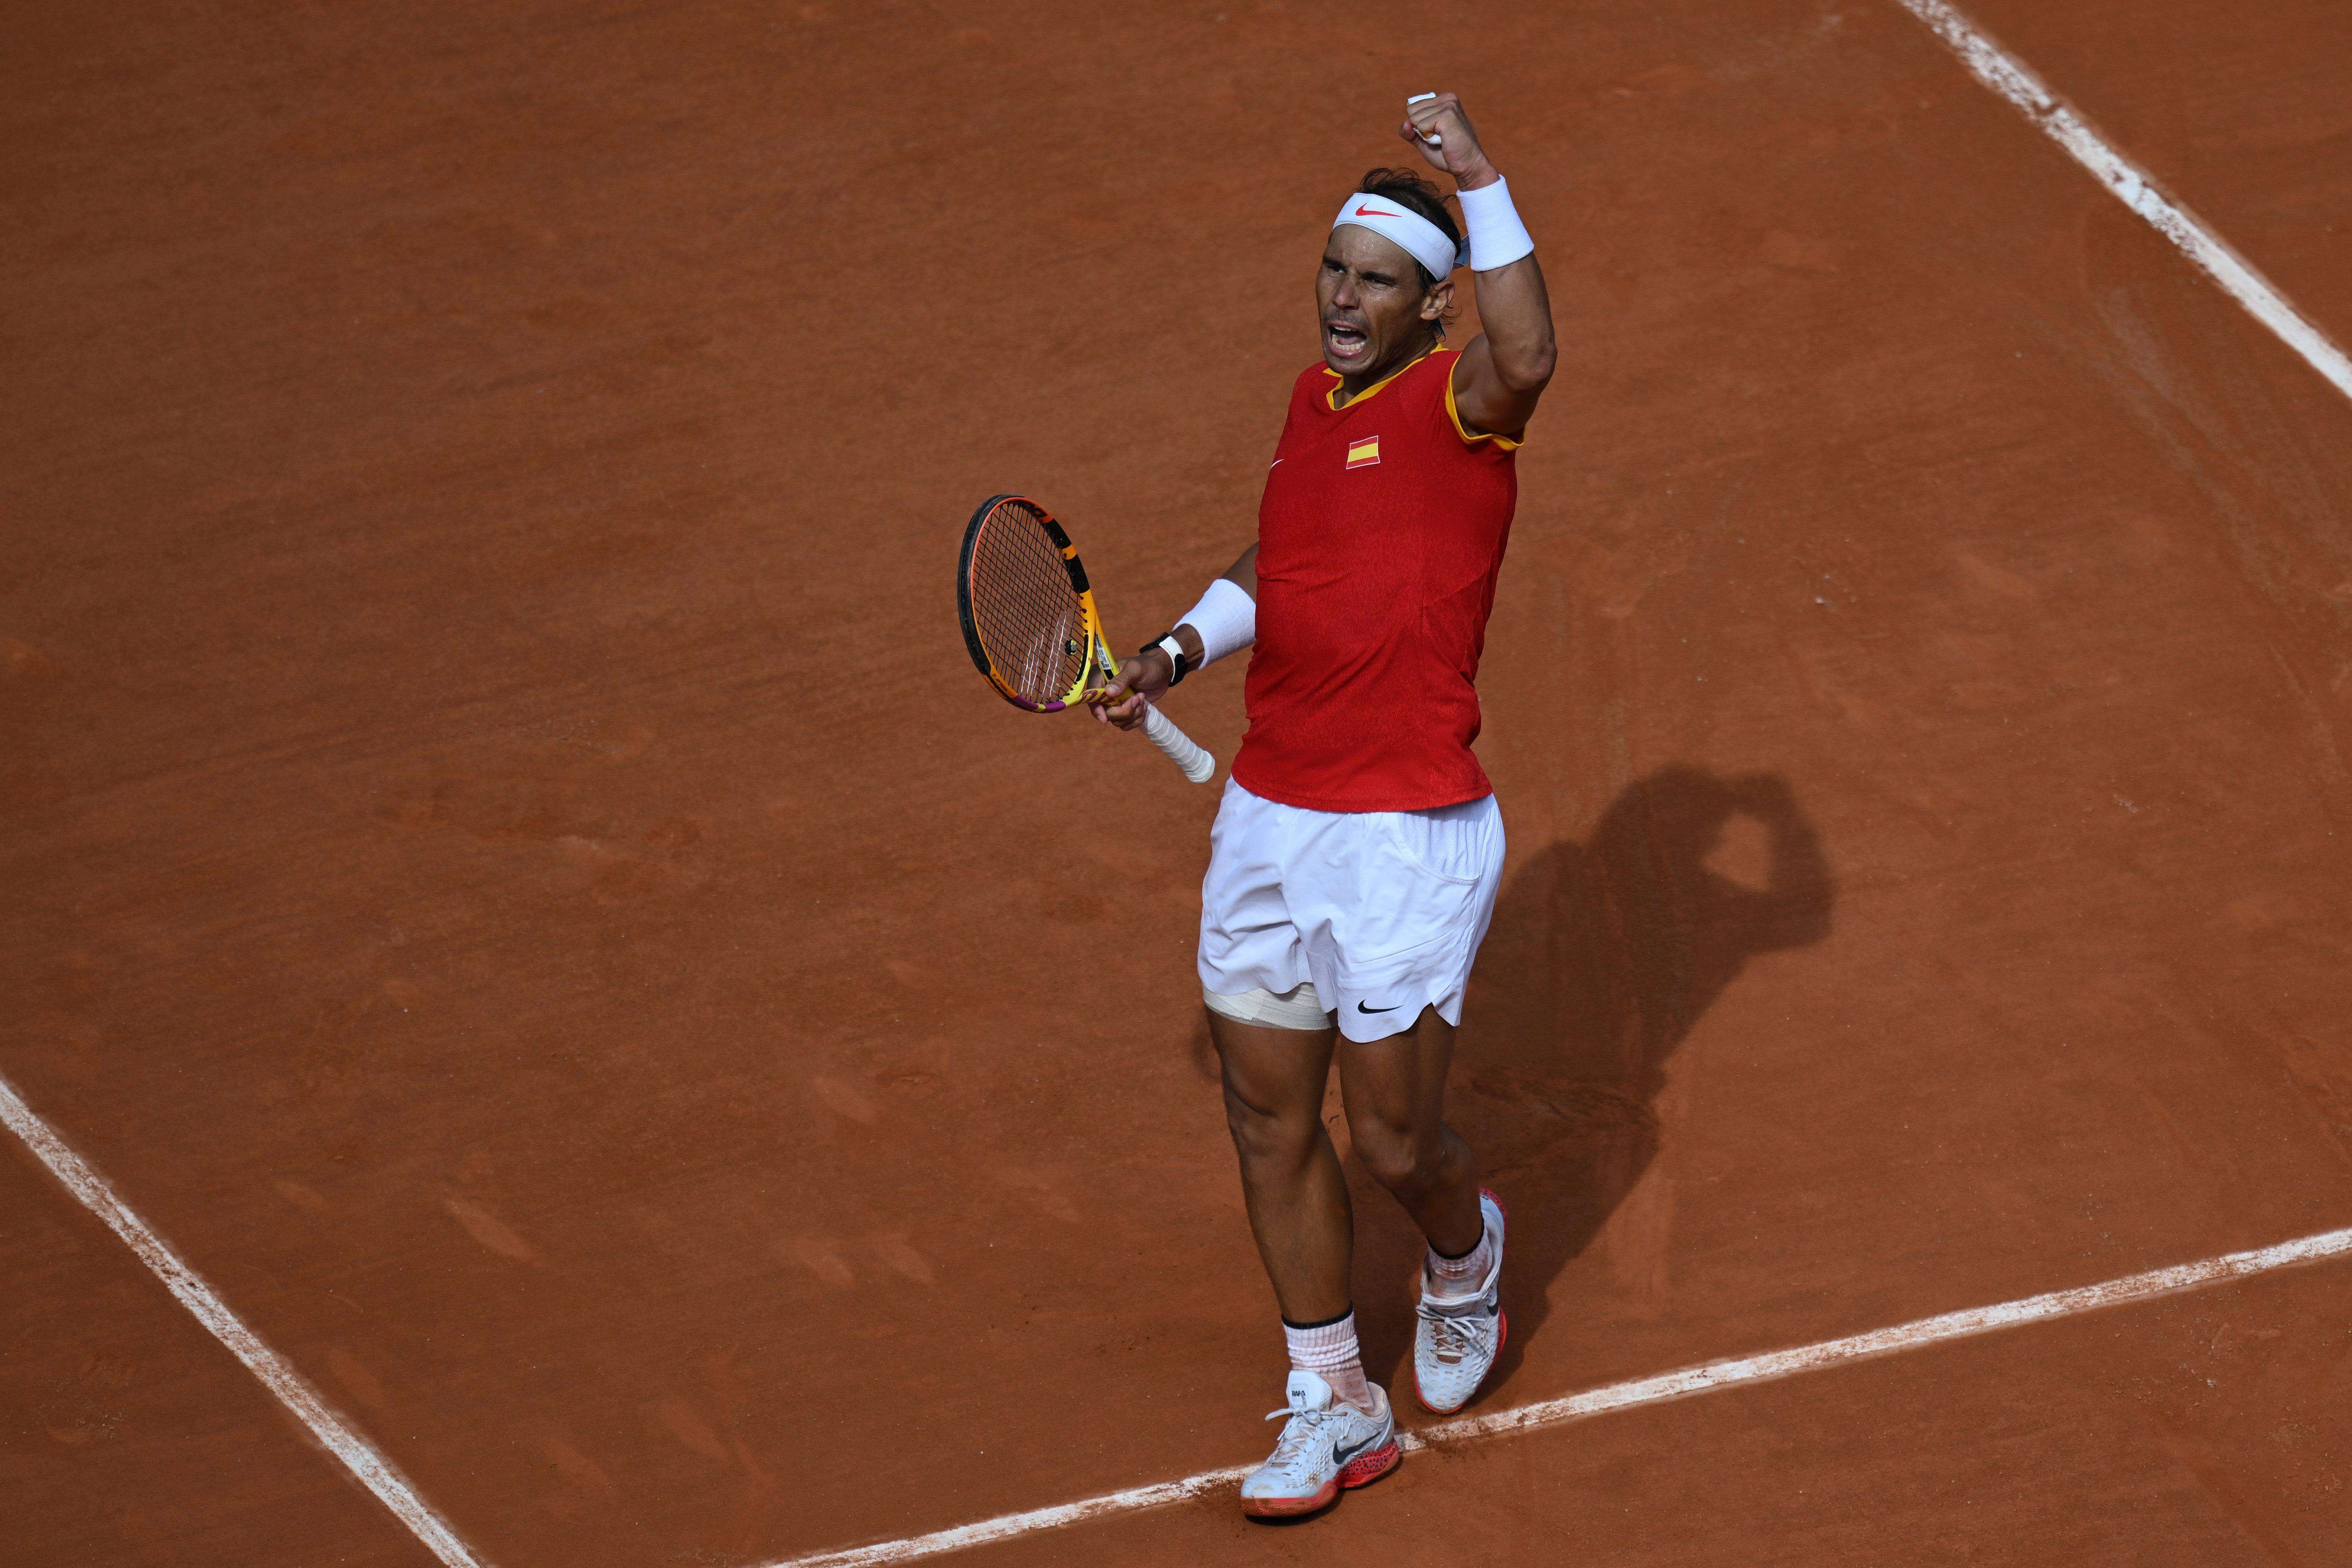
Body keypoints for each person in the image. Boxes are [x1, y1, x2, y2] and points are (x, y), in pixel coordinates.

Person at [1089, 91, 1556, 1518]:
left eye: (1377, 282)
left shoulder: (1462, 408)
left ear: (1431, 307)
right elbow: (1281, 552)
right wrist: (1174, 649)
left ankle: (1463, 1252)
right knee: (1265, 1117)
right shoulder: (1313, 406)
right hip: (1271, 819)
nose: (1343, 300)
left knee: (1396, 1142)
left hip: (1406, 831)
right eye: (1334, 270)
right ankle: (1334, 1398)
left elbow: (1531, 346)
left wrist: (1476, 177)